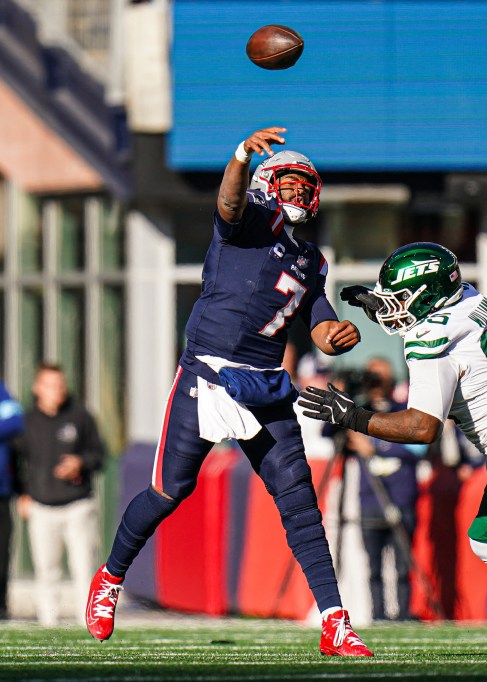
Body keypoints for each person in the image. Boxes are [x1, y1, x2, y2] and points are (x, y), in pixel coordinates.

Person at [85, 126, 372, 656]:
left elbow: (319, 325)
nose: (296, 194)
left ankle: (335, 621)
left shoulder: (312, 259)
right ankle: (110, 579)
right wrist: (240, 155)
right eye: (287, 183)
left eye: (302, 186)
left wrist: (338, 336)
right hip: (209, 373)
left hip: (264, 384)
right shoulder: (248, 225)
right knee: (170, 490)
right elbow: (228, 199)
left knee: (299, 502)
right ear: (267, 184)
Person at [302, 242, 487, 635]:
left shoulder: (430, 341)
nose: (395, 307)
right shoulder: (468, 298)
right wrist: (376, 303)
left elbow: (422, 427)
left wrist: (352, 415)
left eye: (400, 299)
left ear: (429, 296)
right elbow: (426, 313)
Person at [14, 364, 104, 625]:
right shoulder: (27, 422)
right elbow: (17, 461)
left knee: (84, 566)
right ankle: (48, 622)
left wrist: (80, 462)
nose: (57, 391)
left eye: (60, 385)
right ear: (38, 388)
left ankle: (88, 620)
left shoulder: (80, 416)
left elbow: (98, 454)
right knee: (46, 569)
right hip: (42, 505)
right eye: (51, 385)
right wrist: (23, 494)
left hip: (78, 504)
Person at [350, 357, 423, 622]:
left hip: (401, 496)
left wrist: (380, 445)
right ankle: (378, 615)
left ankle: (402, 614)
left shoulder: (403, 410)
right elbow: (328, 434)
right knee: (373, 567)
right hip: (370, 499)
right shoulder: (357, 412)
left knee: (403, 565)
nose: (376, 383)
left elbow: (421, 445)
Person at [0, 380, 24, 620]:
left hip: (2, 490)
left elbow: (15, 420)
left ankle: (1, 606)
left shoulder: (1, 391)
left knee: (2, 551)